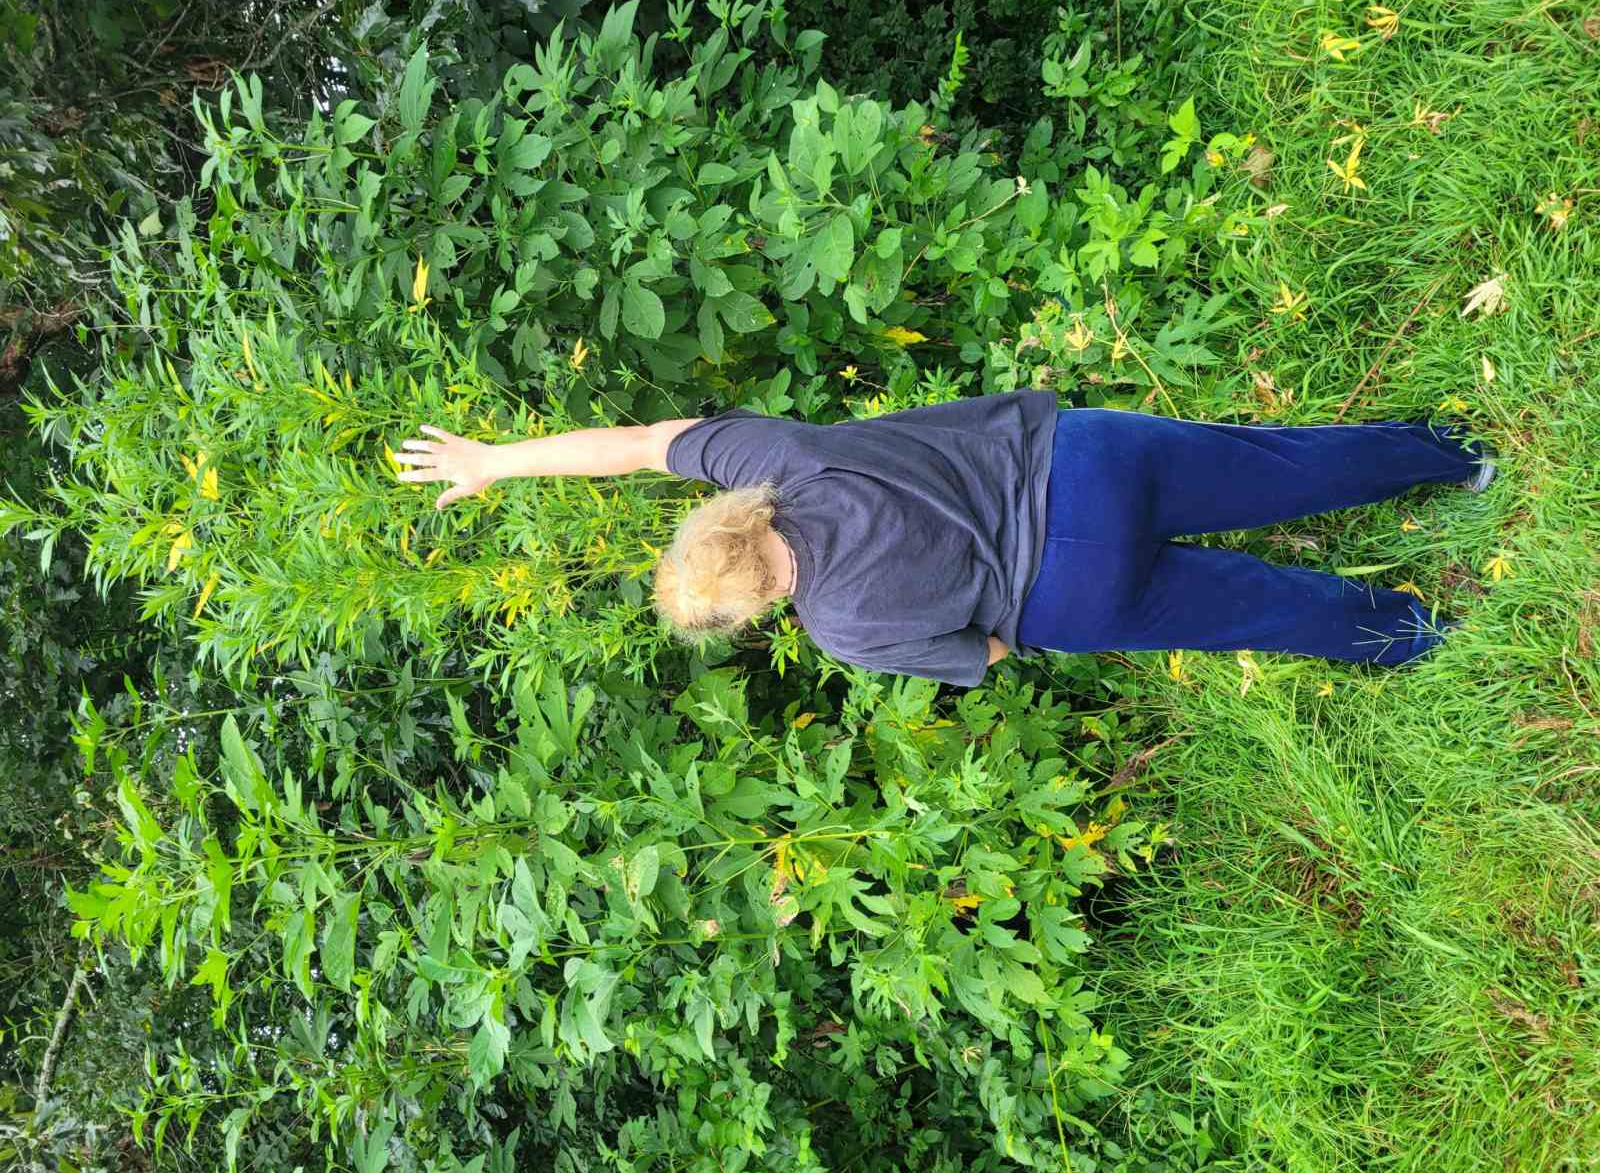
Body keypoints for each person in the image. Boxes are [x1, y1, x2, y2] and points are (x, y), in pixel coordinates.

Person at [392, 391, 1495, 687]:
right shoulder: (775, 460)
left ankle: (1420, 638)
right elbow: (639, 446)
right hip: (1078, 464)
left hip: (1067, 594)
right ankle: (1453, 459)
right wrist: (491, 460)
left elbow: (988, 654)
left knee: (1260, 608)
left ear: (753, 607)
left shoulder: (845, 630)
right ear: (723, 519)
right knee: (1279, 466)